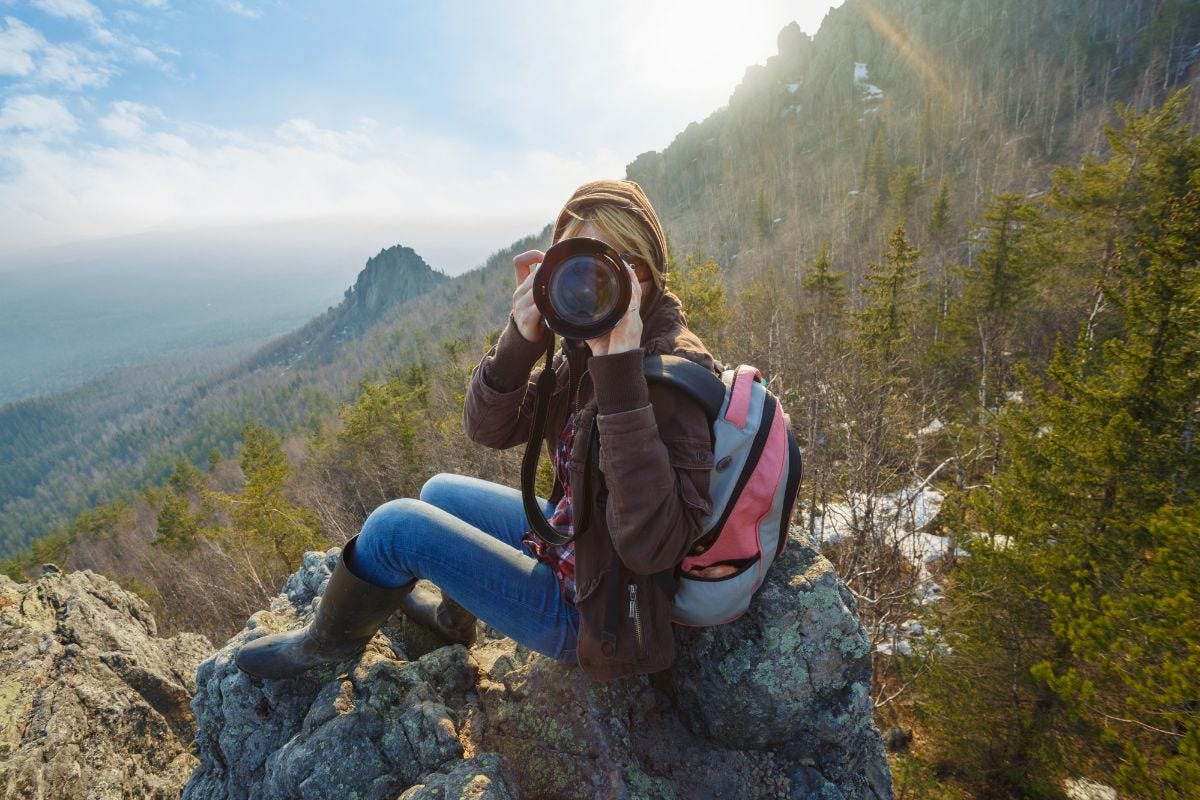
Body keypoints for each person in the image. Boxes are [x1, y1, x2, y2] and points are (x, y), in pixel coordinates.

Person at [235, 179, 716, 681]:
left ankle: (320, 649)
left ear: (647, 276)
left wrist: (620, 376)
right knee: (437, 490)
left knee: (394, 528)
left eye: (618, 266)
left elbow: (653, 548)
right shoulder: (585, 344)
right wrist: (522, 338)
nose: (595, 285)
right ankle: (451, 623)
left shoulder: (670, 374)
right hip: (581, 540)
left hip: (602, 613)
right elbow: (487, 428)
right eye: (580, 265)